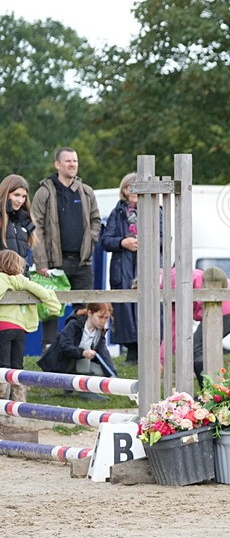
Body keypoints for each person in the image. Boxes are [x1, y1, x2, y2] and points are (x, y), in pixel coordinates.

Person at [30, 147, 102, 349]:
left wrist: (90, 241)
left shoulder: (86, 191)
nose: (73, 164)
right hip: (53, 263)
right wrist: (41, 261)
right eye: (68, 161)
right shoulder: (44, 192)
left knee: (84, 310)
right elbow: (35, 227)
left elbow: (96, 220)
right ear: (57, 164)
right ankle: (49, 352)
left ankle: (79, 351)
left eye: (75, 161)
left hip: (82, 262)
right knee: (51, 309)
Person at [0, 250, 62, 402]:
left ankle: (2, 398)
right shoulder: (22, 280)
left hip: (3, 327)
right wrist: (55, 307)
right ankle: (19, 400)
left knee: (3, 364)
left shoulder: (1, 279)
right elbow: (43, 292)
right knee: (17, 364)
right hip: (20, 328)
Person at [37, 302, 116, 401]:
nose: (103, 321)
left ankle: (73, 386)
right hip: (59, 364)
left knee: (100, 370)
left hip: (76, 363)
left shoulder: (99, 331)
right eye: (100, 317)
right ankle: (85, 391)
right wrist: (82, 352)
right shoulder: (74, 324)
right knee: (85, 347)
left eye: (106, 318)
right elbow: (64, 346)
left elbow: (104, 353)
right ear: (90, 313)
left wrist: (112, 373)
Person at [98, 173, 140, 362]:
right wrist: (123, 242)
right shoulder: (117, 212)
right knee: (124, 309)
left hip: (145, 265)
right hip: (122, 267)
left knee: (146, 306)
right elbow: (106, 240)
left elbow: (164, 238)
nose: (134, 191)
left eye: (138, 186)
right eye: (130, 187)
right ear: (124, 190)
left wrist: (144, 242)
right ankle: (131, 352)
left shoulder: (156, 210)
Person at [183, 266, 230, 383]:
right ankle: (212, 386)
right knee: (204, 346)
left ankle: (209, 388)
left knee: (198, 347)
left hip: (226, 308)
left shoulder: (178, 277)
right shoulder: (189, 274)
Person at [0, 174, 36, 264]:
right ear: (6, 193)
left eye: (24, 196)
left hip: (20, 272)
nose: (20, 200)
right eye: (16, 195)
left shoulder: (25, 220)